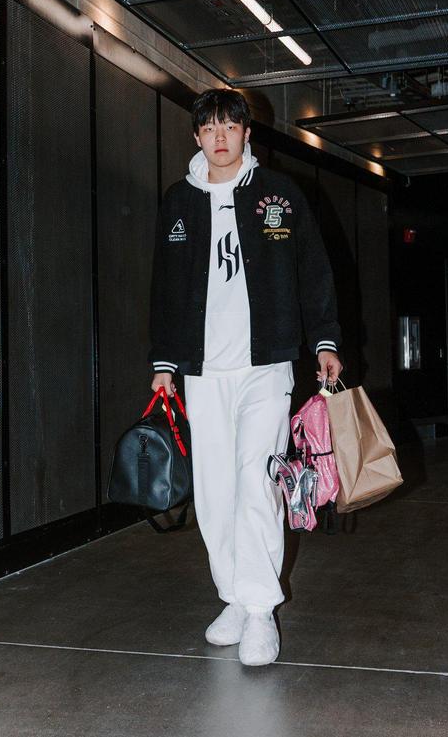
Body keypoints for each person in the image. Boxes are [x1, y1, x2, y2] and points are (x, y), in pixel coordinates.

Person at [148, 88, 342, 666]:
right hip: (203, 371)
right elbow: (165, 285)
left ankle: (260, 610)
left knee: (257, 483)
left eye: (229, 126)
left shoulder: (278, 193)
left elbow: (314, 268)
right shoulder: (179, 201)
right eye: (209, 128)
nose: (220, 137)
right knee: (214, 494)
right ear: (196, 137)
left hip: (266, 367)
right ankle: (233, 596)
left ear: (246, 134)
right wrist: (164, 362)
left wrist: (325, 340)